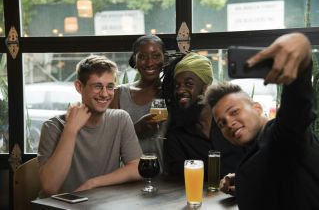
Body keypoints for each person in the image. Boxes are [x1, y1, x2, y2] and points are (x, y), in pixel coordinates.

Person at [205, 33, 319, 209]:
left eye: (234, 112)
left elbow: (297, 104)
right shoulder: (257, 149)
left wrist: (301, 46)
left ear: (257, 108)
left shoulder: (282, 135)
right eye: (221, 123)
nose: (229, 123)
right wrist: (243, 183)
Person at [37, 55, 142, 197]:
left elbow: (137, 168)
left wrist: (92, 184)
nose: (105, 94)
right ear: (79, 87)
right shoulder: (53, 127)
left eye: (110, 87)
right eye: (97, 86)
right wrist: (71, 129)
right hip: (62, 206)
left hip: (101, 204)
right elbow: (50, 187)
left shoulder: (120, 119)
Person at [162, 52, 246, 180]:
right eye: (177, 85)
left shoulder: (232, 123)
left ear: (206, 87)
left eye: (188, 84)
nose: (179, 90)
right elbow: (178, 179)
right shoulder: (176, 135)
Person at [110, 34, 167, 169]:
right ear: (134, 60)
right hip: (129, 177)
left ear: (165, 59)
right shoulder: (118, 94)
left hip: (169, 178)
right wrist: (136, 129)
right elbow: (109, 144)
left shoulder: (173, 93)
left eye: (156, 56)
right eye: (142, 57)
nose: (149, 62)